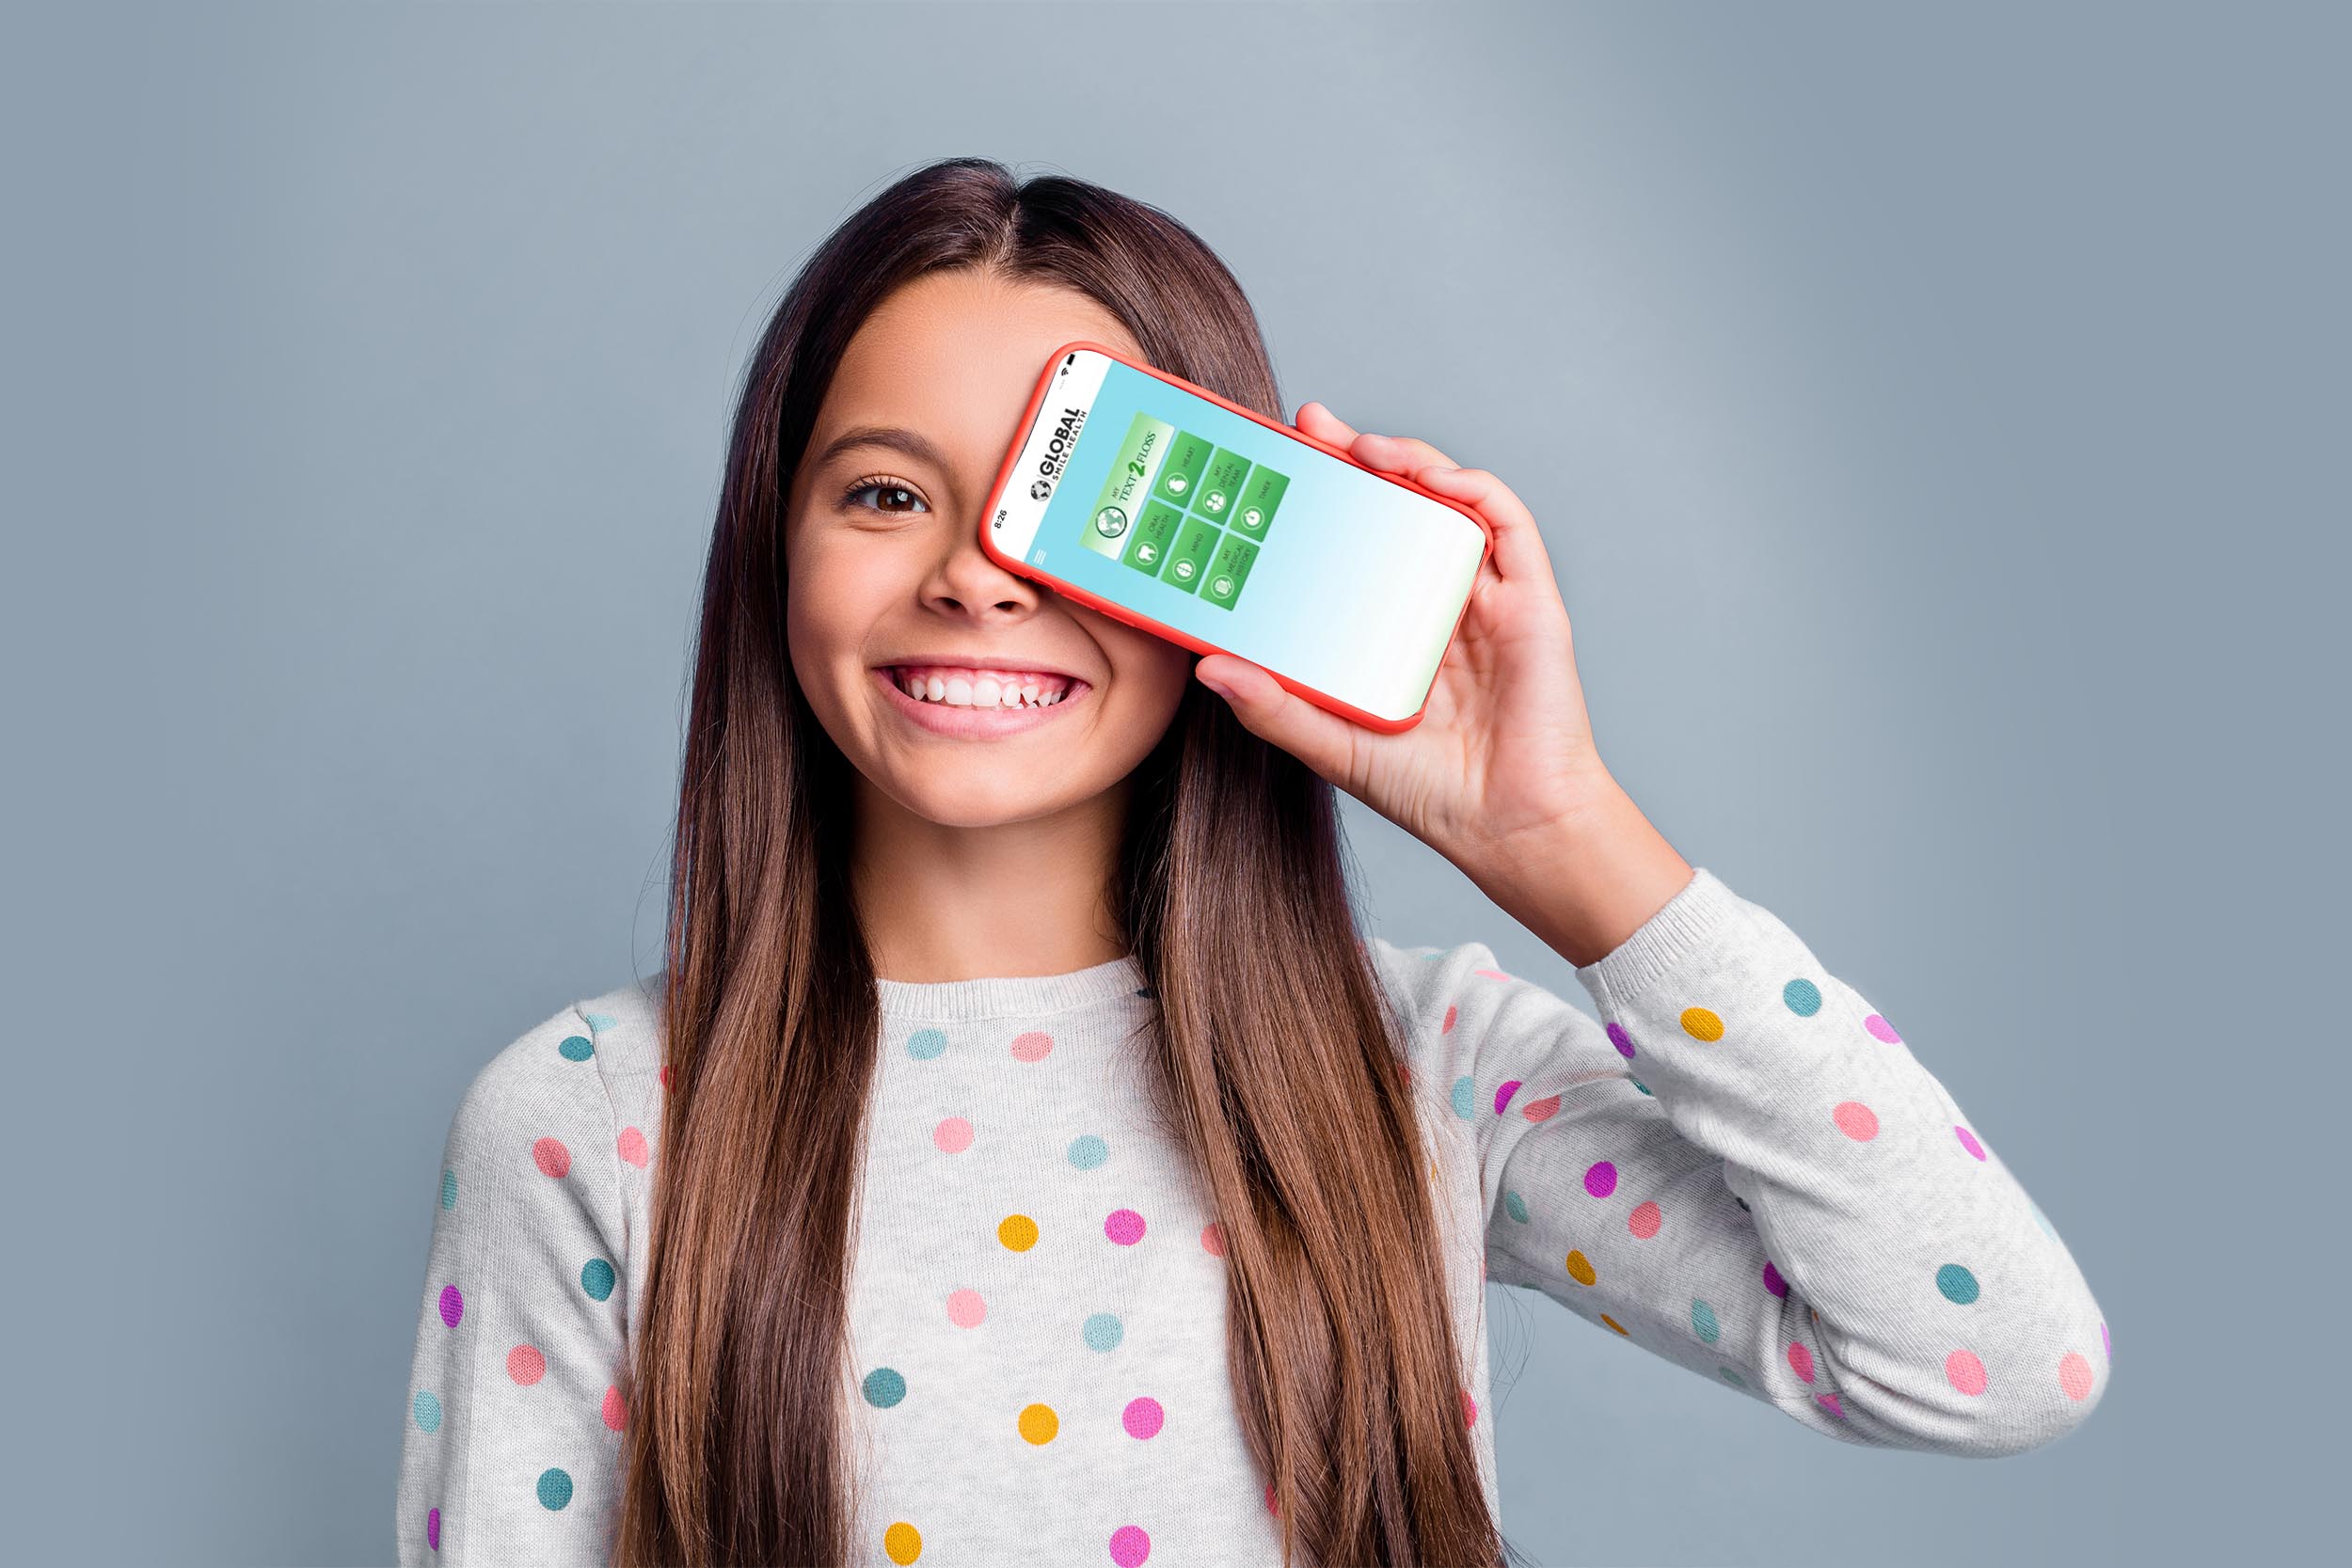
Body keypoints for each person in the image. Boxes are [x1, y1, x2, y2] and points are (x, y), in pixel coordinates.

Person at [393, 157, 2109, 1568]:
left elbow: (1995, 1362)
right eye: (885, 496)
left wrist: (1566, 842)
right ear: (774, 554)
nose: (983, 577)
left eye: (1048, 514)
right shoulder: (590, 1117)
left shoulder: (1422, 1073)